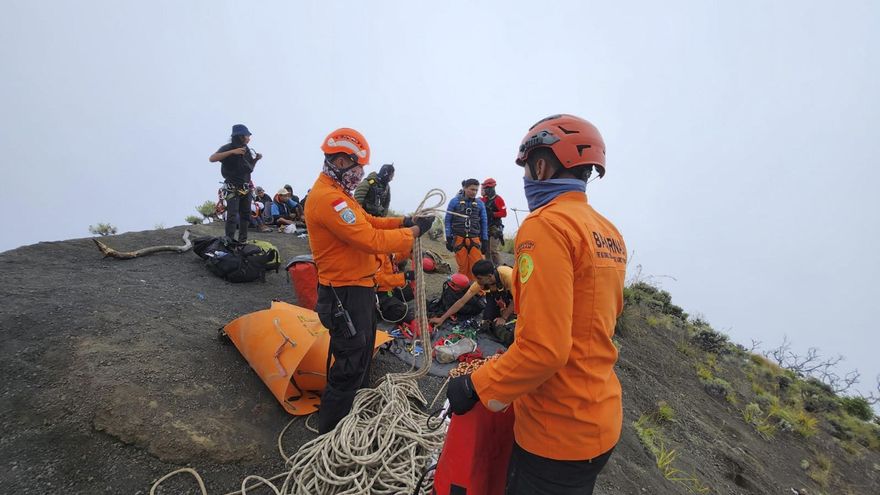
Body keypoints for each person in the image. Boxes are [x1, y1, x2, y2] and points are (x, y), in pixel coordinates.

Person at [445, 114, 627, 495]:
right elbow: (603, 319)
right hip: (600, 418)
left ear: (540, 165)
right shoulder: (608, 232)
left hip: (555, 429)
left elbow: (545, 349)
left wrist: (475, 385)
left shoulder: (545, 226)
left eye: (527, 168)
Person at [305, 127, 433, 434]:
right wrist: (411, 234)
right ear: (338, 162)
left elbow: (369, 221)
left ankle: (352, 425)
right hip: (344, 294)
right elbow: (369, 238)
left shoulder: (339, 197)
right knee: (350, 364)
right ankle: (330, 438)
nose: (360, 174)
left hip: (357, 290)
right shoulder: (328, 200)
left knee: (361, 357)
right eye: (356, 166)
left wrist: (404, 221)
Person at [429, 260, 515, 342]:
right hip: (496, 294)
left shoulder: (509, 276)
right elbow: (461, 301)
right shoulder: (482, 281)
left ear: (489, 276)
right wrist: (442, 318)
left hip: (517, 294)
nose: (477, 281)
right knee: (487, 320)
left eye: (479, 278)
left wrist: (504, 317)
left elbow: (517, 299)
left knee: (511, 315)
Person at [209, 124, 262, 243]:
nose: (249, 138)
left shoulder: (246, 150)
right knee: (232, 215)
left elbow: (249, 169)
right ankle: (229, 241)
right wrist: (233, 152)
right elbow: (212, 158)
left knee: (246, 215)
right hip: (232, 188)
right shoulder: (228, 147)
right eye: (248, 135)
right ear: (241, 136)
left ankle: (242, 241)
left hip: (246, 187)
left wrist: (256, 160)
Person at [444, 179, 488, 282]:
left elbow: (484, 222)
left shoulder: (480, 204)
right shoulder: (454, 202)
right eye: (472, 189)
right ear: (464, 188)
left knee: (477, 267)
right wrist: (448, 237)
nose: (474, 192)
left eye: (476, 190)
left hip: (474, 238)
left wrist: (485, 240)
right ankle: (462, 289)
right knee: (463, 266)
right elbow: (448, 220)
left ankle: (477, 292)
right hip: (459, 238)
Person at [480, 178, 508, 265]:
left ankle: (501, 268)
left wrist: (492, 214)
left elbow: (504, 213)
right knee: (487, 251)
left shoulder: (499, 199)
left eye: (487, 188)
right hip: (486, 227)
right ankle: (490, 269)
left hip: (495, 227)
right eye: (485, 188)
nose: (485, 190)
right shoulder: (484, 199)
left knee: (493, 250)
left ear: (492, 188)